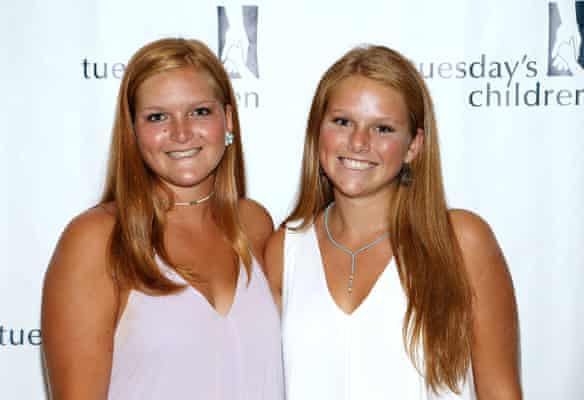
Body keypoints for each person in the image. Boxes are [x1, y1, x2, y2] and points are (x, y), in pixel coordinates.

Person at [265, 45, 522, 399]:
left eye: (382, 129)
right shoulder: (285, 250)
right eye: (342, 122)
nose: (358, 142)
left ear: (413, 146)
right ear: (317, 131)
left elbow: (501, 393)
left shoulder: (462, 241)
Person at [42, 38, 283, 400]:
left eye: (199, 111)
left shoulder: (254, 224)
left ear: (228, 119)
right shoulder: (97, 240)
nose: (181, 132)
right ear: (133, 131)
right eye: (157, 117)